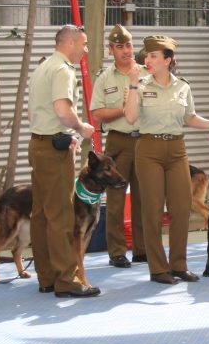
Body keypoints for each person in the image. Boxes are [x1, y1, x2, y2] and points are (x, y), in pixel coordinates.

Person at [123, 35, 209, 285]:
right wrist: (135, 85)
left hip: (177, 148)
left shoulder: (183, 86)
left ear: (168, 60)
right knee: (153, 209)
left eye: (153, 56)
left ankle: (178, 265)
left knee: (181, 208)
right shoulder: (140, 84)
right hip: (149, 148)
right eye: (146, 56)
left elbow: (189, 117)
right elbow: (130, 118)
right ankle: (158, 269)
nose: (147, 60)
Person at [27, 25, 99, 298]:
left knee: (42, 213)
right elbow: (62, 109)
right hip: (54, 148)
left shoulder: (43, 67)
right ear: (69, 43)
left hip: (38, 143)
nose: (86, 49)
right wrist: (81, 128)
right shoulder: (62, 69)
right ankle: (67, 279)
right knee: (61, 215)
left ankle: (46, 276)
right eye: (84, 43)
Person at [89, 24, 146, 268]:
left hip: (145, 140)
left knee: (145, 198)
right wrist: (124, 109)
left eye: (129, 45)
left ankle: (143, 250)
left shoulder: (147, 73)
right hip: (119, 141)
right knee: (115, 200)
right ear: (111, 49)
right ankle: (117, 251)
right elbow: (97, 113)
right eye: (120, 46)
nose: (126, 50)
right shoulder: (105, 77)